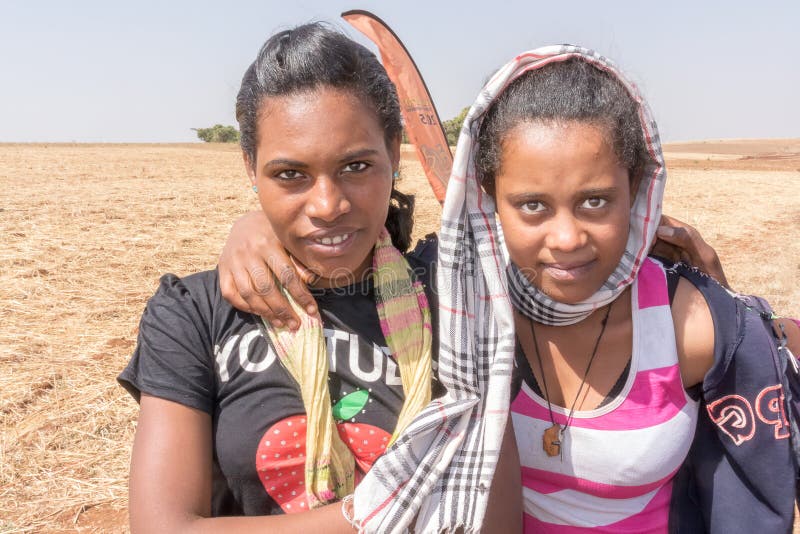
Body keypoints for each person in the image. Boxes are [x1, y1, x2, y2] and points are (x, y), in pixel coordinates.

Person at [218, 46, 800, 532]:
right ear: (487, 201)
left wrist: (732, 310)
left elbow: (760, 422)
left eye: (596, 201)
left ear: (640, 192)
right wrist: (253, 229)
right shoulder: (454, 299)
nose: (568, 238)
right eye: (532, 206)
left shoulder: (689, 324)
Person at [118, 23, 520, 533]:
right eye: (291, 175)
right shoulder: (196, 313)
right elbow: (163, 527)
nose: (328, 205)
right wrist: (376, 512)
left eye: (356, 165)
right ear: (250, 167)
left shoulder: (454, 296)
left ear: (394, 154)